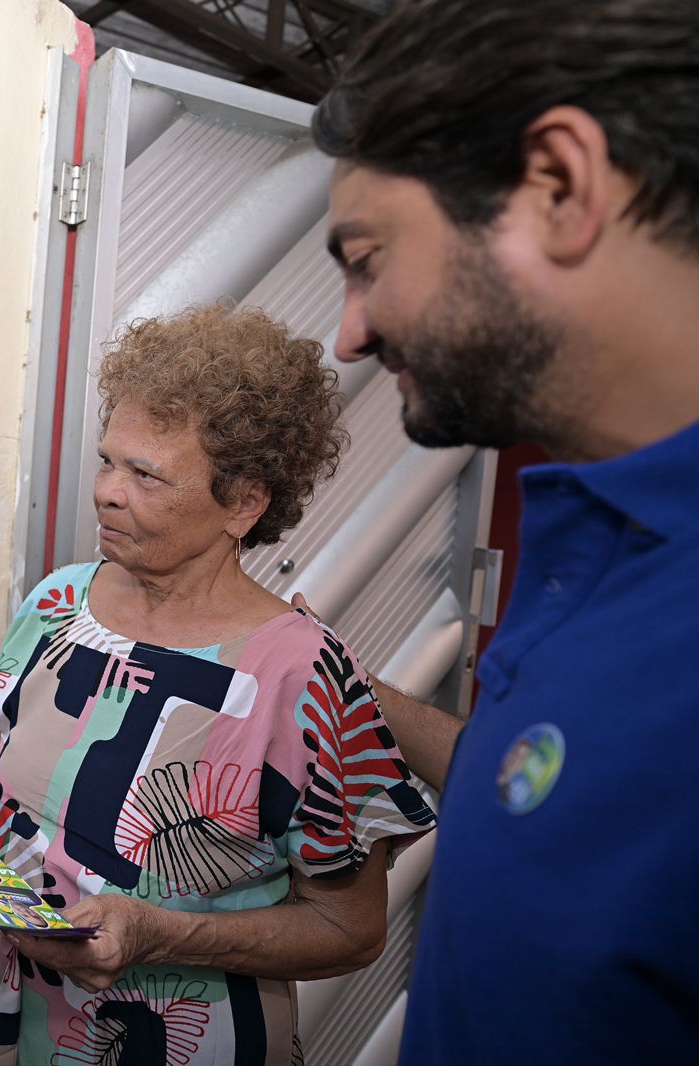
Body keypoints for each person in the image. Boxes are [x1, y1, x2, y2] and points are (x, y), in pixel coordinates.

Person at [0, 304, 435, 1064]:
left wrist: (164, 935)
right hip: (16, 1019)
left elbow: (349, 929)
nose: (109, 491)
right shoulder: (57, 601)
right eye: (109, 461)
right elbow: (4, 747)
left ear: (243, 503)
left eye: (146, 474)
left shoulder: (303, 677)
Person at [308, 1, 699, 1059]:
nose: (350, 334)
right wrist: (354, 687)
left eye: (365, 256)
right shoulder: (597, 537)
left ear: (557, 186)